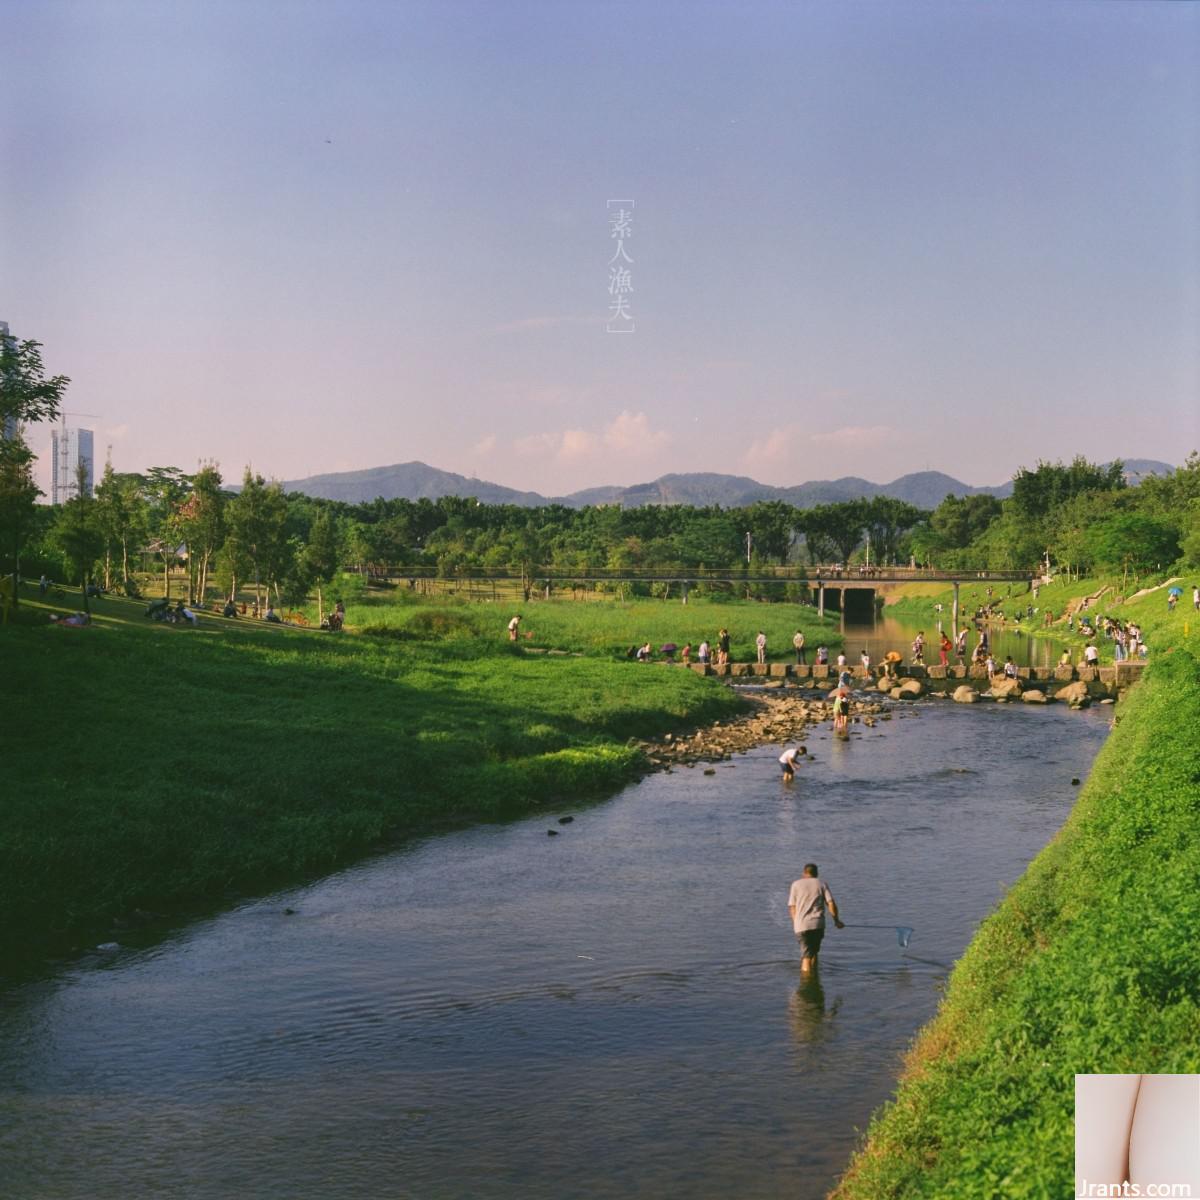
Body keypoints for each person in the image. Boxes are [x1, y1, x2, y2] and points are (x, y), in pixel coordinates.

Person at [787, 863, 843, 973]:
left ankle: (806, 983)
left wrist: (796, 922)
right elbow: (831, 903)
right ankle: (814, 975)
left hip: (802, 925)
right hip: (818, 924)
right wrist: (836, 920)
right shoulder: (822, 883)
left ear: (804, 873)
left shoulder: (796, 884)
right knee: (814, 953)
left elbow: (792, 907)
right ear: (816, 873)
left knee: (806, 956)